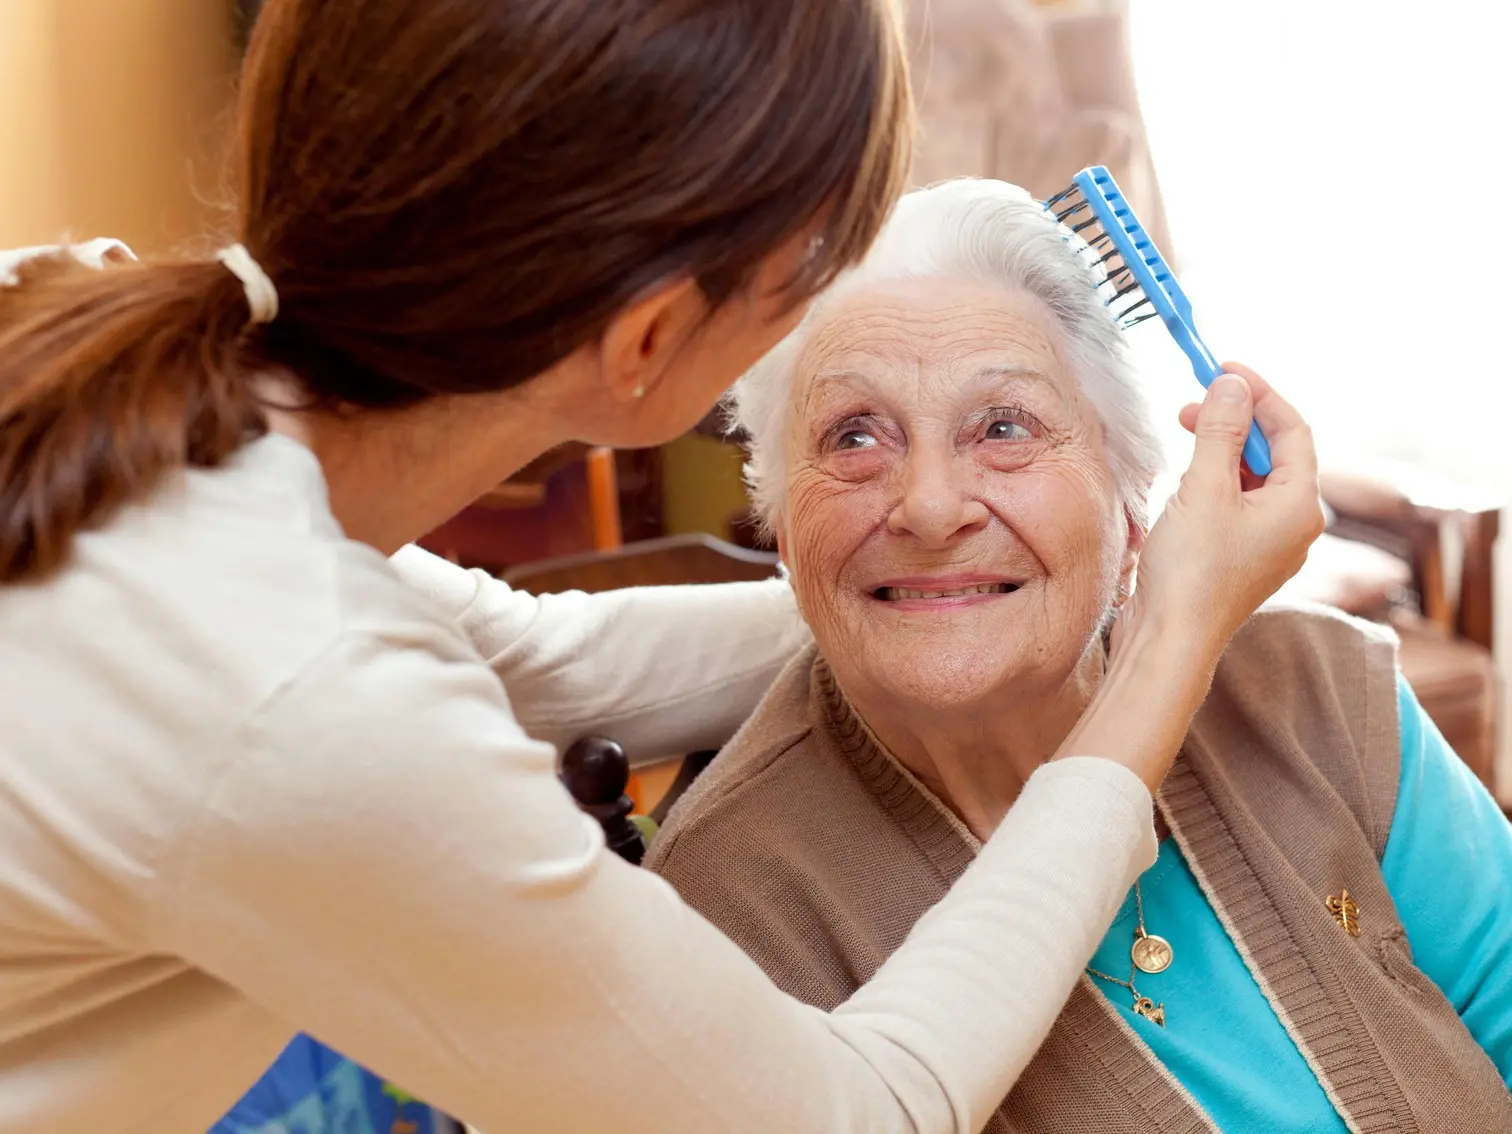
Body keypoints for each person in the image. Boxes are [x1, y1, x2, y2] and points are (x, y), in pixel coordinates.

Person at [0, 3, 1324, 1132]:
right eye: (816, 274)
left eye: (1002, 433)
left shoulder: (87, 342)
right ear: (645, 343)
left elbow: (541, 660)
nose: (930, 497)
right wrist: (1165, 644)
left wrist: (981, 590)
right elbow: (855, 1112)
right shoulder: (292, 685)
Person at [646, 179, 1512, 1133]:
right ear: (780, 525)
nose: (930, 507)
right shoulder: (722, 916)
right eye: (854, 436)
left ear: (1132, 503)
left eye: (1003, 427)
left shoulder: (1322, 690)